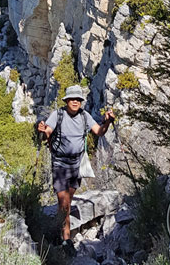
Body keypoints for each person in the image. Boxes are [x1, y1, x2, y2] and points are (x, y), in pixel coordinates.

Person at [37, 85, 115, 257]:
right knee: (63, 203)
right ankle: (65, 240)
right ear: (66, 101)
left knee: (68, 201)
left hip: (76, 165)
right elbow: (47, 132)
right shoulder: (57, 115)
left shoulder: (85, 116)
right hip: (60, 164)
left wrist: (108, 121)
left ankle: (58, 230)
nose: (75, 102)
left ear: (81, 102)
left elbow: (100, 132)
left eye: (78, 99)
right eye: (72, 99)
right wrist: (43, 131)